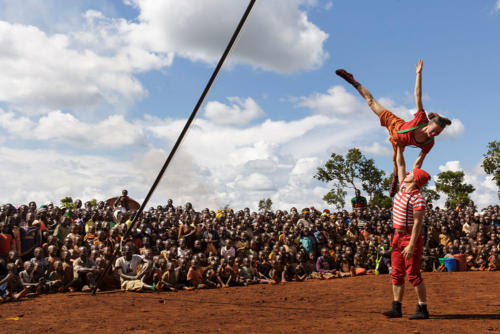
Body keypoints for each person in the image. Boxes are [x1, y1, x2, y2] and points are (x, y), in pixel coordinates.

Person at [336, 60, 451, 196]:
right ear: (429, 124)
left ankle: (396, 179)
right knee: (371, 102)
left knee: (396, 162)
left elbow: (417, 164)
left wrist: (412, 183)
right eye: (434, 130)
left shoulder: (429, 143)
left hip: (400, 141)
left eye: (438, 133)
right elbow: (418, 96)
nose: (435, 134)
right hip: (395, 124)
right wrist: (418, 74)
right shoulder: (421, 119)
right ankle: (353, 81)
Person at [383, 145, 430, 320]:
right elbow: (400, 164)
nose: (408, 173)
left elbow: (418, 223)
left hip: (411, 237)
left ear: (415, 179)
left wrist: (411, 244)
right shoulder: (403, 186)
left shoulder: (418, 197)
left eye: (411, 174)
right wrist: (399, 147)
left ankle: (423, 308)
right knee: (396, 272)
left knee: (413, 273)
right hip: (397, 235)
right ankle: (396, 307)